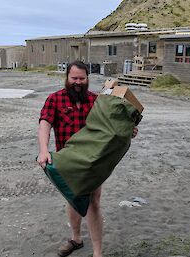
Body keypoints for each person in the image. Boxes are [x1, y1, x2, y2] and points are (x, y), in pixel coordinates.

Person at [37, 61, 138, 257]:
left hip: (94, 161)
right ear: (67, 78)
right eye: (74, 78)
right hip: (69, 161)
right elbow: (45, 124)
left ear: (87, 79)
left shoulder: (97, 100)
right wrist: (43, 150)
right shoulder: (55, 99)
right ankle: (76, 239)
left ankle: (97, 253)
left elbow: (114, 126)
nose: (78, 82)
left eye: (82, 79)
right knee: (74, 200)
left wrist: (128, 131)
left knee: (93, 202)